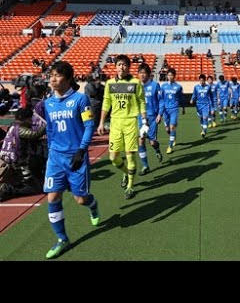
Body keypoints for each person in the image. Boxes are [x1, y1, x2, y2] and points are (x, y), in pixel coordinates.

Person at [43, 61, 98, 259]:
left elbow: (89, 126)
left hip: (76, 156)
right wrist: (50, 151)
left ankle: (93, 205)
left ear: (68, 78)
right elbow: (50, 129)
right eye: (51, 75)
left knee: (80, 199)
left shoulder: (80, 99)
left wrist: (82, 150)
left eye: (57, 75)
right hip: (56, 158)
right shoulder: (47, 103)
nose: (52, 79)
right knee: (52, 197)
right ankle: (62, 239)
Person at [97, 55, 147, 200]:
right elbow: (106, 103)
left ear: (128, 67)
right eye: (119, 64)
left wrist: (144, 120)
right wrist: (101, 122)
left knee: (130, 154)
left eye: (124, 65)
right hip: (115, 123)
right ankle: (126, 172)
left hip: (131, 122)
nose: (121, 67)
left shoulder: (136, 83)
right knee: (113, 158)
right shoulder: (110, 84)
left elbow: (142, 102)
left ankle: (130, 186)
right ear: (115, 66)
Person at [0, 108, 46, 202]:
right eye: (29, 119)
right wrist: (47, 125)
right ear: (23, 118)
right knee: (37, 188)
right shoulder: (19, 129)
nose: (31, 122)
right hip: (19, 164)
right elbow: (35, 134)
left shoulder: (12, 127)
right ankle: (9, 189)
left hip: (8, 160)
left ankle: (15, 185)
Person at [137, 63, 163, 176]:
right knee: (141, 140)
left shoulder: (155, 85)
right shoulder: (136, 86)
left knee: (152, 142)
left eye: (144, 73)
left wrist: (159, 114)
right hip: (141, 117)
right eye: (140, 73)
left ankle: (157, 150)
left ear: (148, 74)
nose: (142, 75)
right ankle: (145, 166)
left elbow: (161, 100)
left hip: (152, 118)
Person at [160, 68, 185, 154]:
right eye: (169, 75)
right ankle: (173, 136)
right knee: (167, 129)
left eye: (171, 75)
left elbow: (181, 98)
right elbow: (161, 99)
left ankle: (170, 146)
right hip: (165, 110)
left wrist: (183, 108)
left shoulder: (178, 87)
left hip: (174, 109)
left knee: (172, 127)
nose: (170, 77)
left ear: (174, 76)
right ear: (167, 76)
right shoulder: (163, 86)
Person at [190, 74, 213, 138]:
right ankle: (203, 127)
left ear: (205, 80)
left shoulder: (208, 87)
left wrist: (212, 107)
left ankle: (204, 131)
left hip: (206, 104)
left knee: (205, 117)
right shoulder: (196, 87)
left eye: (203, 80)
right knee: (201, 118)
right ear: (199, 80)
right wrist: (192, 99)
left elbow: (210, 96)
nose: (202, 82)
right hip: (198, 105)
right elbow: (194, 94)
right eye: (200, 80)